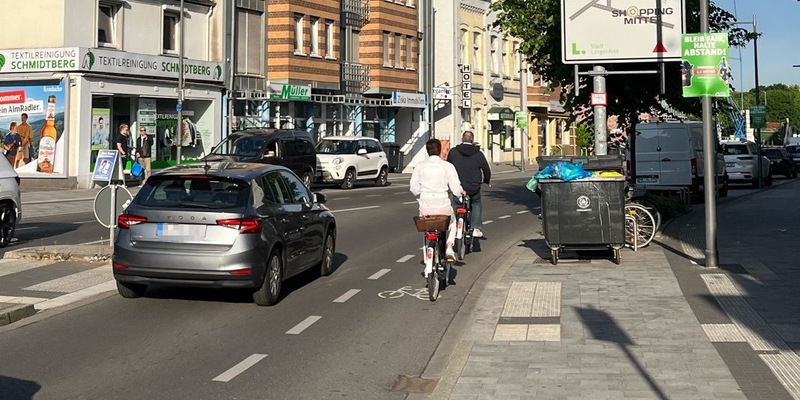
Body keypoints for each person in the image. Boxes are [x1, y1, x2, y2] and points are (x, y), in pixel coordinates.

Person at [410, 138, 465, 260]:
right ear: (440, 150)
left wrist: (423, 193)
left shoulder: (419, 167)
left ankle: (427, 257)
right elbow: (456, 188)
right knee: (453, 223)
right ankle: (449, 247)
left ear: (427, 151)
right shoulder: (447, 166)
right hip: (443, 205)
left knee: (427, 227)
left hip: (425, 207)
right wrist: (460, 193)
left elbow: (414, 189)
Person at [447, 130, 491, 238]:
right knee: (476, 202)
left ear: (462, 139)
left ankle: (453, 224)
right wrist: (486, 180)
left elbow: (447, 167)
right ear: (472, 140)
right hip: (473, 186)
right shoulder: (478, 153)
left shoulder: (453, 152)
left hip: (458, 186)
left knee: (456, 203)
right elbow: (486, 169)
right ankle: (476, 227)